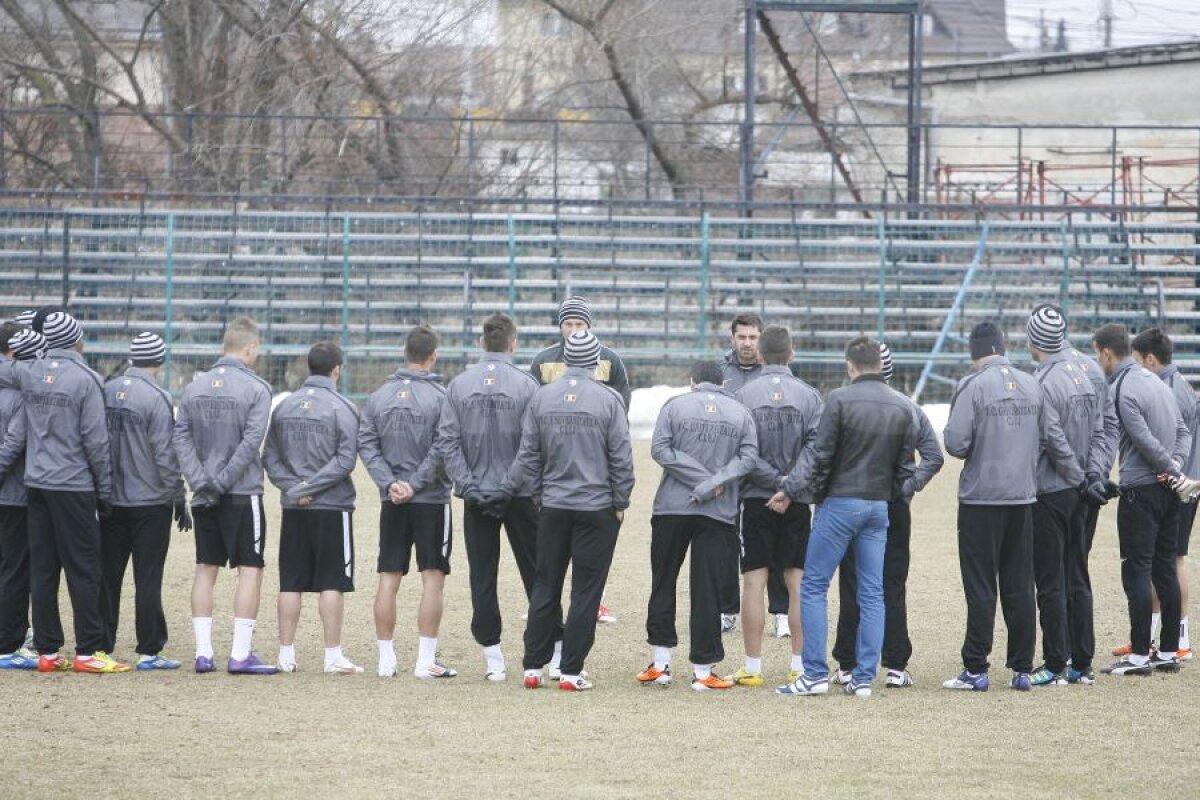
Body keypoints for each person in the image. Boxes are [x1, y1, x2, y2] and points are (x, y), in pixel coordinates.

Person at [941, 322, 1083, 692]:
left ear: (975, 352)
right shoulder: (1032, 383)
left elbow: (955, 443)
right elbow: (1053, 437)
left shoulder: (971, 386)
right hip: (1023, 498)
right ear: (1003, 347)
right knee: (1020, 584)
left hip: (980, 500)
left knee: (980, 586)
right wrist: (1077, 478)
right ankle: (1021, 668)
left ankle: (976, 667)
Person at [771, 336, 914, 698]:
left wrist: (790, 489)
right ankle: (864, 678)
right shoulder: (900, 406)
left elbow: (819, 455)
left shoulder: (839, 400)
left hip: (840, 504)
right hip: (878, 506)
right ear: (880, 366)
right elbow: (903, 467)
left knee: (815, 586)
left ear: (849, 366)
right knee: (872, 592)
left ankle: (815, 674)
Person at [497, 330, 634, 691]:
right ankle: (570, 670)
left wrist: (537, 496)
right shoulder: (609, 400)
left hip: (554, 505)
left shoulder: (543, 397)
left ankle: (532, 665)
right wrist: (620, 501)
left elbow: (529, 456)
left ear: (566, 359)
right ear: (595, 361)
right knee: (586, 591)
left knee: (545, 584)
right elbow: (621, 458)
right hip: (596, 506)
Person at [19, 311, 128, 673]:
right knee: (84, 568)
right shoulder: (86, 379)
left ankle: (47, 651)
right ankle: (88, 649)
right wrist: (105, 489)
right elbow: (95, 441)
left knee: (44, 570)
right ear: (77, 340)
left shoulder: (31, 373)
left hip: (37, 481)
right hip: (73, 484)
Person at [831, 342, 944, 689]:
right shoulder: (908, 408)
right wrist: (910, 486)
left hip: (853, 499)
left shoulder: (844, 405)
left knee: (852, 582)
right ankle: (895, 665)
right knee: (891, 583)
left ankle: (847, 664)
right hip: (894, 503)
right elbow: (934, 456)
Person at [639, 360, 757, 691]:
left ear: (692, 382)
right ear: (723, 383)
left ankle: (660, 664)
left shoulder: (674, 405)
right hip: (717, 512)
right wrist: (712, 482)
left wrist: (699, 480)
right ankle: (703, 671)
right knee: (706, 590)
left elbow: (660, 449)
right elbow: (749, 458)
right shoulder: (740, 412)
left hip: (671, 508)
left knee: (663, 582)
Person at [440, 314, 542, 681]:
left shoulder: (458, 385)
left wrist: (469, 485)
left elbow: (448, 442)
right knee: (536, 573)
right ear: (513, 344)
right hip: (519, 494)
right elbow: (532, 447)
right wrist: (508, 485)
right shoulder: (527, 386)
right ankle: (546, 654)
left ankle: (493, 660)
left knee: (482, 576)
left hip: (476, 495)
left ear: (482, 344)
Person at [174, 316, 276, 675]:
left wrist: (200, 480)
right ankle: (240, 653)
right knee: (250, 568)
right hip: (241, 491)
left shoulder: (194, 387)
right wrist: (223, 480)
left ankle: (204, 652)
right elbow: (251, 442)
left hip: (204, 492)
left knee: (206, 567)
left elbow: (181, 437)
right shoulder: (257, 388)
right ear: (249, 349)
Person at [359, 325, 457, 680]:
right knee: (433, 578)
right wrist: (414, 484)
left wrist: (390, 483)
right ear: (433, 356)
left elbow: (366, 444)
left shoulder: (379, 396)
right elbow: (443, 445)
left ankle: (386, 660)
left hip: (393, 500)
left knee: (389, 576)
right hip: (430, 498)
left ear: (406, 353)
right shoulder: (442, 397)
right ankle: (424, 660)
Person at [726, 325, 822, 688]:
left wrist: (772, 483)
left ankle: (753, 666)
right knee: (797, 583)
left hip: (755, 499)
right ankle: (799, 665)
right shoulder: (811, 396)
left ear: (761, 355)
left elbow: (741, 450)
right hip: (796, 501)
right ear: (792, 354)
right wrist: (790, 485)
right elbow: (817, 449)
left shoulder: (742, 395)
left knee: (754, 581)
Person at [1093, 324, 1188, 675]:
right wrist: (1176, 465)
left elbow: (1141, 438)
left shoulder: (1123, 388)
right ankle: (1167, 651)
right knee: (1165, 568)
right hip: (1167, 491)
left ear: (1106, 353)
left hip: (1141, 489)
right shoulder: (1156, 382)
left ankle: (1137, 657)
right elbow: (1183, 430)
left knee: (1135, 569)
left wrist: (1167, 466)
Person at [529, 295, 630, 624]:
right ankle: (546, 601)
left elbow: (621, 408)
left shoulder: (610, 361)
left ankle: (594, 600)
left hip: (595, 462)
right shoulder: (543, 361)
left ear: (589, 327)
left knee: (592, 543)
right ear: (560, 326)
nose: (573, 330)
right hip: (555, 462)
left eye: (579, 324)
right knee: (554, 544)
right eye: (568, 324)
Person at [264, 342, 362, 675]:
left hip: (294, 508)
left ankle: (286, 654)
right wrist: (310, 488)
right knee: (332, 581)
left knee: (290, 581)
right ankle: (332, 655)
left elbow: (270, 457)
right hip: (332, 507)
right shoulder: (344, 407)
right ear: (337, 369)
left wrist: (294, 489)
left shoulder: (285, 406)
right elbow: (345, 460)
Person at [1022, 306, 1104, 686]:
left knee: (1051, 579)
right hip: (1085, 491)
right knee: (1078, 574)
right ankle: (1082, 662)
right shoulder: (1089, 369)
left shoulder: (1044, 380)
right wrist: (1093, 476)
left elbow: (1052, 440)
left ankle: (1055, 662)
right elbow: (1105, 428)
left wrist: (1075, 476)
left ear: (1034, 340)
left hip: (1053, 490)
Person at [100, 332, 190, 671]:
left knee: (108, 577)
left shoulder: (107, 391)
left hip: (111, 499)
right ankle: (149, 649)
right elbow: (164, 455)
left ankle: (101, 644)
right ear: (160, 360)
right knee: (147, 577)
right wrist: (178, 494)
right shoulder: (157, 398)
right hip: (150, 501)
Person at [1122, 328, 1198, 662]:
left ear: (1150, 359)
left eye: (1138, 361)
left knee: (1170, 561)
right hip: (1179, 480)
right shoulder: (1174, 384)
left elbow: (1176, 438)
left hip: (1179, 484)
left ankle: (1179, 638)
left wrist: (1178, 471)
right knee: (1163, 562)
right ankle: (1159, 638)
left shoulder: (1169, 388)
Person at [717, 312, 789, 638]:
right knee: (726, 544)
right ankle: (727, 609)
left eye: (753, 337)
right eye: (742, 337)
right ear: (732, 338)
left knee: (775, 547)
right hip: (732, 474)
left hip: (768, 476)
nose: (747, 343)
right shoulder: (720, 373)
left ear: (761, 339)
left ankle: (781, 613)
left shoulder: (777, 374)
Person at [0, 325, 41, 669]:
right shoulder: (21, 396)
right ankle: (10, 642)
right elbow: (14, 443)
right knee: (16, 569)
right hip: (14, 495)